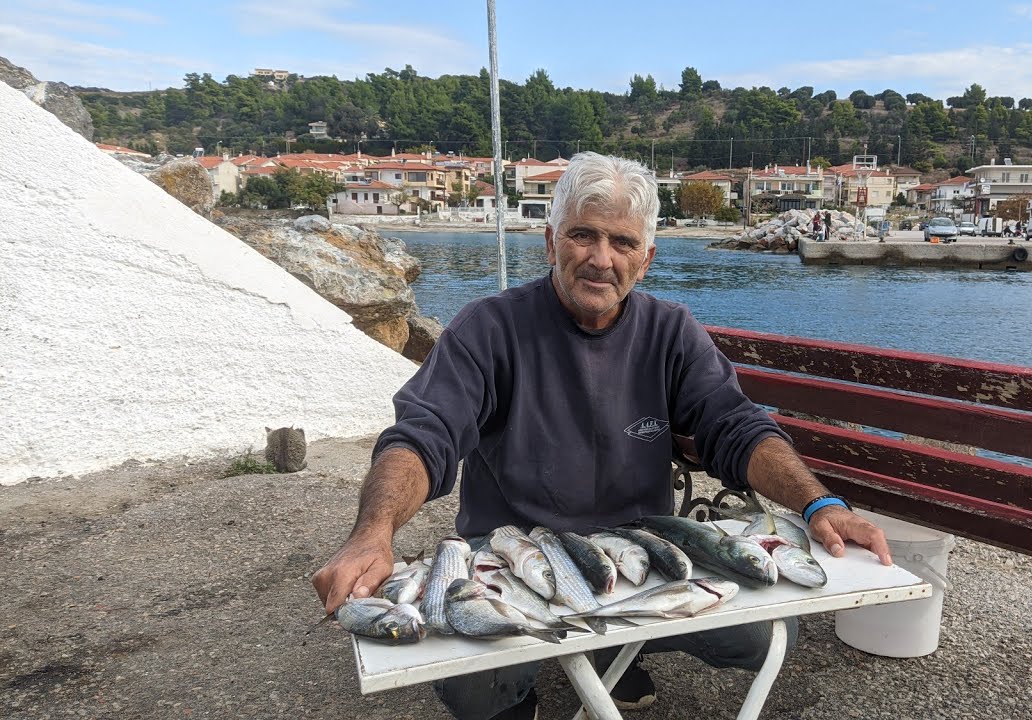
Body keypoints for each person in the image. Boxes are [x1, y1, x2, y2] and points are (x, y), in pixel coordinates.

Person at [311, 152, 891, 720]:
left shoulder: (672, 332)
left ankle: (610, 644)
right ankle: (536, 677)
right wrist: (374, 532)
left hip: (641, 553)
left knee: (761, 638)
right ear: (549, 241)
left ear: (647, 259)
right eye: (582, 235)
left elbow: (734, 424)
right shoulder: (487, 329)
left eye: (623, 243)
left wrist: (820, 502)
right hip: (514, 559)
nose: (600, 259)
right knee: (479, 696)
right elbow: (422, 434)